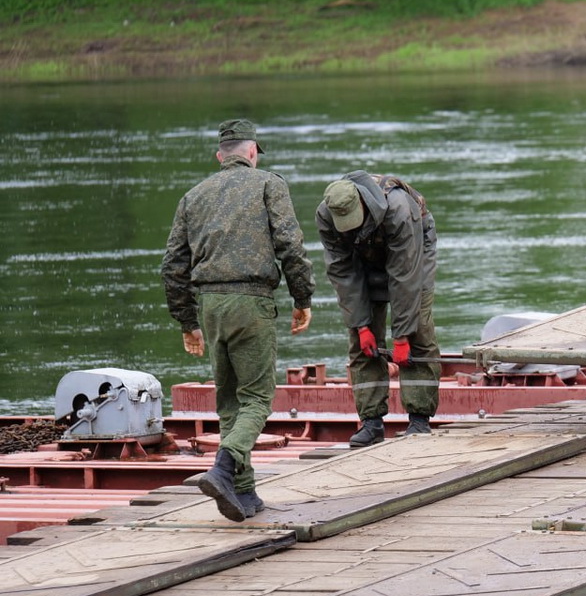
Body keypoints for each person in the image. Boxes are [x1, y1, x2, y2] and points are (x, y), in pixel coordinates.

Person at [161, 119, 315, 522]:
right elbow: (290, 244)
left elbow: (172, 266)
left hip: (209, 306)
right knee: (259, 397)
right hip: (252, 301)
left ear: (220, 156)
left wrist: (185, 320)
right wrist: (303, 297)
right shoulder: (269, 184)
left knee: (228, 400)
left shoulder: (192, 196)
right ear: (252, 152)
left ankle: (244, 494)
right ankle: (225, 468)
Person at [316, 171, 440, 446]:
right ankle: (371, 422)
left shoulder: (398, 209)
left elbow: (405, 276)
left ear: (362, 203)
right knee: (361, 342)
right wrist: (361, 326)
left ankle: (419, 419)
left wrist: (401, 336)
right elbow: (342, 271)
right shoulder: (326, 215)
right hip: (362, 257)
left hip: (412, 248)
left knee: (417, 328)